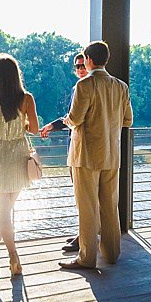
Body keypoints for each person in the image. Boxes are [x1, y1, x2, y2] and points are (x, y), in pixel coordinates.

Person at [59, 41, 133, 271]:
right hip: (112, 155)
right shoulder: (120, 86)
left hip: (86, 156)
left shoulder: (85, 85)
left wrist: (67, 121)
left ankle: (86, 258)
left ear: (89, 60)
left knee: (88, 208)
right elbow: (128, 120)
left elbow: (76, 118)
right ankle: (111, 253)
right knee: (110, 206)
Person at [0, 55, 40, 276]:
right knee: (5, 209)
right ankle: (8, 255)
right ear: (16, 75)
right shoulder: (27, 99)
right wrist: (20, 122)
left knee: (2, 210)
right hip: (19, 153)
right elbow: (33, 129)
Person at [40, 51, 90, 253]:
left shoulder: (83, 87)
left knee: (84, 197)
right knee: (82, 196)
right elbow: (71, 117)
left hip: (82, 150)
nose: (80, 69)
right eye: (77, 66)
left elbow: (74, 118)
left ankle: (84, 238)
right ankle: (84, 233)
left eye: (82, 65)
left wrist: (57, 124)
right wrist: (53, 125)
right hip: (76, 148)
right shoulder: (76, 88)